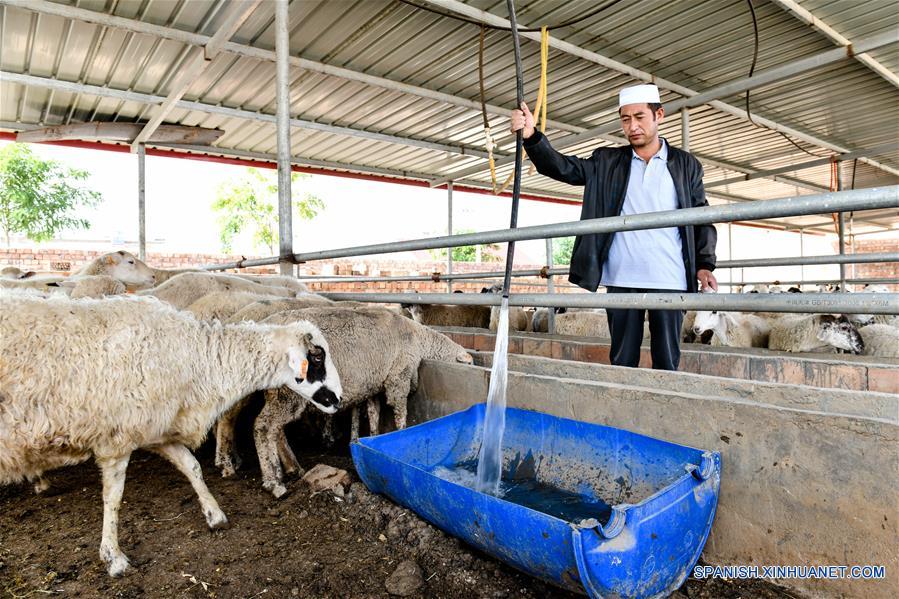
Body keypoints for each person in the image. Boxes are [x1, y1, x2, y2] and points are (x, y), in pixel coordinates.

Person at [510, 83, 717, 371]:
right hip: (623, 277)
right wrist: (532, 137)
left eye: (640, 117)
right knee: (622, 360)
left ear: (659, 115)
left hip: (669, 277)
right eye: (625, 119)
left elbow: (701, 215)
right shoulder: (607, 161)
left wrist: (705, 264)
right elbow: (563, 168)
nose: (632, 126)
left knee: (667, 361)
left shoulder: (685, 165)